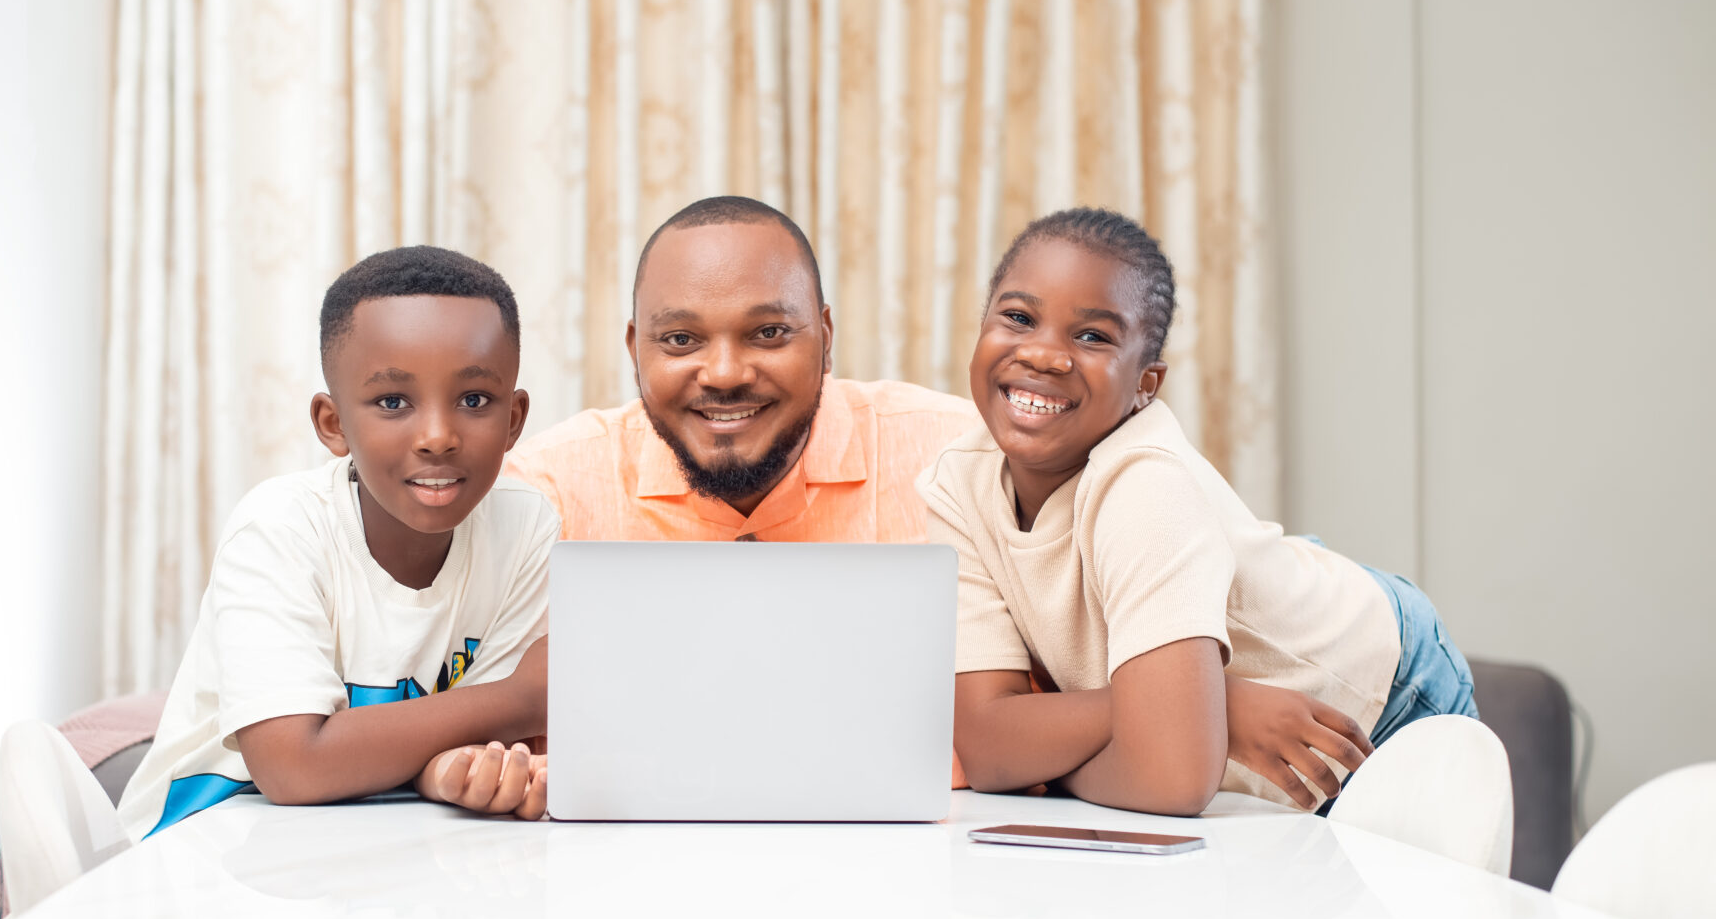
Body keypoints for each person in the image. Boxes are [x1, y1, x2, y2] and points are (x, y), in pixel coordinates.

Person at [921, 208, 1478, 815]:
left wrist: (1076, 756)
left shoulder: (1144, 486)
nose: (1045, 355)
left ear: (1145, 385)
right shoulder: (958, 480)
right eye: (1019, 318)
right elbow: (988, 748)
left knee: (1409, 908)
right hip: (1247, 720)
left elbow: (1168, 777)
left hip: (1369, 692)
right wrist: (1214, 707)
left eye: (1093, 337)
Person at [116, 247, 558, 842]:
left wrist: (448, 766)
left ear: (514, 419)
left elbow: (470, 753)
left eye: (474, 400)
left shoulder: (526, 528)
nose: (436, 437)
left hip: (375, 849)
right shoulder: (280, 527)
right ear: (333, 424)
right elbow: (292, 766)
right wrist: (525, 698)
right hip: (208, 844)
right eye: (392, 403)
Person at [504, 195, 981, 547]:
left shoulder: (963, 463)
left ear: (825, 336)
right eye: (681, 340)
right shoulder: (543, 495)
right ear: (635, 354)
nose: (725, 375)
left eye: (769, 333)